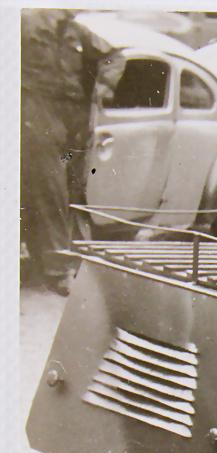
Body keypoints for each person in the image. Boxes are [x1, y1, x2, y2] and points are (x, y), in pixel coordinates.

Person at [20, 9, 123, 295]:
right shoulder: (23, 23)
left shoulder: (76, 32)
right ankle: (56, 268)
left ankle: (66, 259)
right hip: (37, 117)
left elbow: (114, 57)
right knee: (50, 188)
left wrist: (104, 87)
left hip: (72, 126)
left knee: (70, 188)